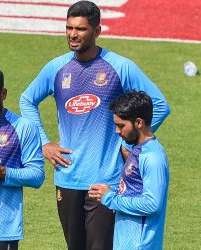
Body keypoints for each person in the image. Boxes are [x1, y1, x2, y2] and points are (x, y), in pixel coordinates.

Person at [19, 1, 170, 249]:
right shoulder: (57, 68)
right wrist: (43, 144)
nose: (73, 34)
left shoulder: (119, 67)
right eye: (69, 28)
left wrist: (128, 143)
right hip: (67, 178)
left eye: (80, 29)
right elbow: (27, 100)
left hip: (105, 180)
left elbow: (160, 104)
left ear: (97, 31)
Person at [88, 91, 169, 250]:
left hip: (140, 245)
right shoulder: (138, 151)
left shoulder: (153, 157)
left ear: (138, 122)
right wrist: (114, 192)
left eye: (121, 125)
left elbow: (152, 204)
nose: (117, 131)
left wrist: (111, 198)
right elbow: (135, 191)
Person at [0, 65, 44, 250]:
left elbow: (37, 176)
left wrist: (0, 171)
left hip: (1, 228)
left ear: (3, 94)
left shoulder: (24, 127)